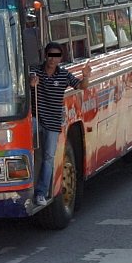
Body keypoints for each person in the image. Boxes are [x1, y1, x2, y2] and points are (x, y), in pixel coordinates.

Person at [29, 41, 90, 206]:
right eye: (50, 55)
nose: (52, 59)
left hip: (53, 122)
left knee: (48, 157)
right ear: (45, 56)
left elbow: (82, 86)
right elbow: (25, 82)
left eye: (56, 56)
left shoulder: (64, 75)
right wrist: (31, 82)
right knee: (27, 153)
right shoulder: (34, 71)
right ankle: (26, 189)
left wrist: (85, 75)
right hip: (35, 119)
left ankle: (41, 193)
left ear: (60, 58)